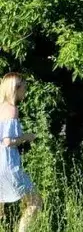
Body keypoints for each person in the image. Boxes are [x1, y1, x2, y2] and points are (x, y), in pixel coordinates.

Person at [0, 73, 41, 232]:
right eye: (24, 87)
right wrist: (26, 137)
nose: (26, 90)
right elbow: (8, 141)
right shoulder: (12, 109)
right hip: (8, 165)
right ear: (15, 89)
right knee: (34, 202)